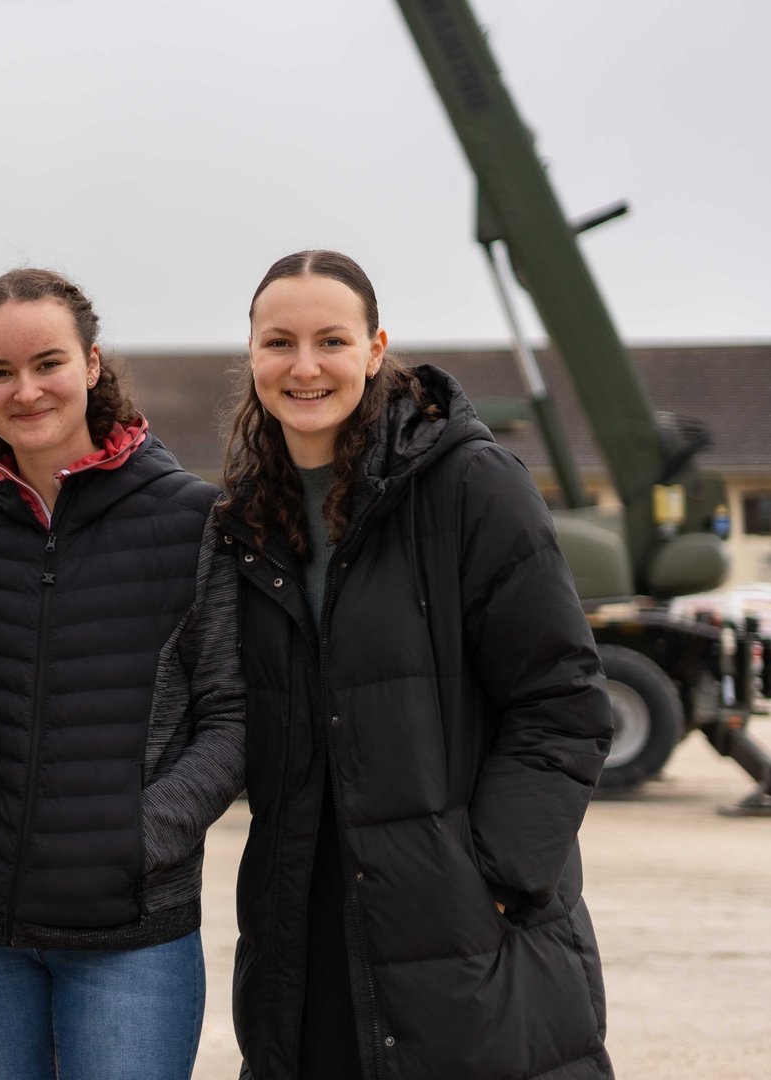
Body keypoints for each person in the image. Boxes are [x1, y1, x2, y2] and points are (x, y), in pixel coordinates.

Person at [217, 250, 612, 1079]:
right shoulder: (245, 517)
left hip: (466, 930)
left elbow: (564, 701)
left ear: (375, 348)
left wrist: (493, 875)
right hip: (304, 928)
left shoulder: (471, 483)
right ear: (250, 354)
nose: (304, 366)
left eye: (331, 339)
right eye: (277, 342)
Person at [0, 269, 244, 1080]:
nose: (26, 390)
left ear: (93, 364)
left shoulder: (191, 521)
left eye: (48, 363)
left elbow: (233, 714)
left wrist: (137, 836)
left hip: (130, 933)